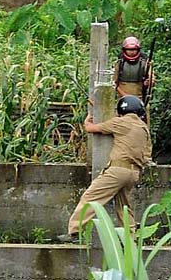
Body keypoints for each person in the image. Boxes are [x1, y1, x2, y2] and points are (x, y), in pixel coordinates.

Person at [57, 95, 152, 243]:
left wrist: (89, 117)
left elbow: (91, 128)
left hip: (118, 170)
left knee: (91, 197)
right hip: (134, 172)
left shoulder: (120, 123)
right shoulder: (143, 128)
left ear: (121, 110)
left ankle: (75, 231)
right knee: (124, 206)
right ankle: (131, 238)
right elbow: (147, 154)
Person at [112, 37, 154, 122]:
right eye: (129, 50)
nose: (132, 52)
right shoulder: (119, 63)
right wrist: (125, 96)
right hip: (123, 99)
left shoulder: (145, 63)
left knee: (143, 121)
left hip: (140, 99)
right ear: (125, 50)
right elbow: (114, 83)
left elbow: (152, 80)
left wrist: (148, 82)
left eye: (134, 49)